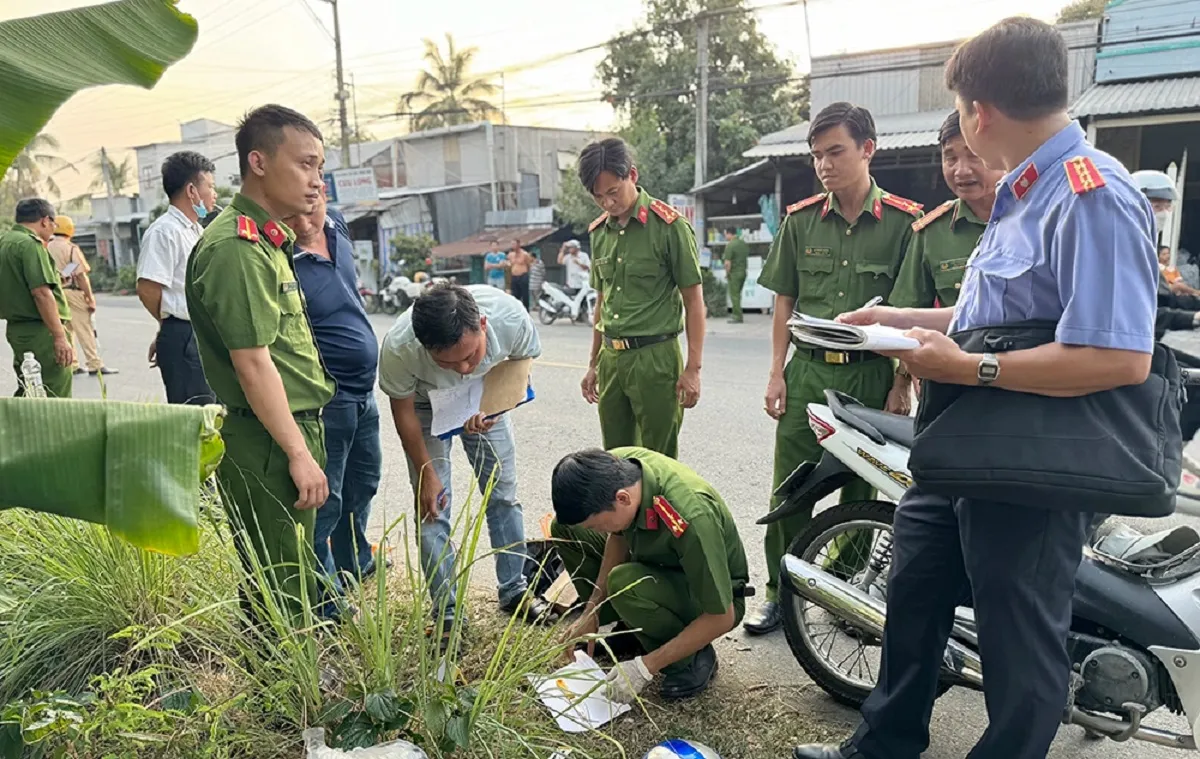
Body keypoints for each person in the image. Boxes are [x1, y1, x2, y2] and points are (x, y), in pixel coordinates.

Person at [793, 18, 1160, 759]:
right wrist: (898, 319)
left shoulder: (1090, 194)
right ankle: (883, 743)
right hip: (962, 441)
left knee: (1019, 642)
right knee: (914, 589)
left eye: (960, 110)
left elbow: (1120, 357)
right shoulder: (1024, 190)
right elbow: (992, 317)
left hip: (1032, 457)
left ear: (979, 111)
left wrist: (972, 368)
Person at [745, 103, 922, 636]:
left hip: (871, 375)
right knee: (791, 488)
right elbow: (784, 303)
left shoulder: (905, 224)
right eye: (816, 155)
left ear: (868, 149)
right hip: (808, 375)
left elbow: (911, 309)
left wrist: (902, 381)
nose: (824, 164)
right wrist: (777, 372)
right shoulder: (800, 223)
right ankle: (780, 590)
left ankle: (845, 592)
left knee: (862, 488)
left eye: (836, 151)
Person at [185, 105, 335, 621]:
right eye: (306, 165)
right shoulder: (237, 248)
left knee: (290, 574)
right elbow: (252, 364)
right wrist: (296, 452)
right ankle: (289, 697)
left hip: (285, 430)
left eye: (320, 167)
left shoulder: (267, 239)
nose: (317, 181)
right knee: (281, 586)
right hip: (270, 441)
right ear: (259, 162)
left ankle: (295, 685)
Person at [379, 282, 553, 642]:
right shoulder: (400, 348)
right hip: (426, 408)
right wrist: (427, 471)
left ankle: (515, 589)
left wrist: (492, 405)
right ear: (425, 348)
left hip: (486, 401)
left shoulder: (511, 318)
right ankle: (447, 612)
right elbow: (404, 414)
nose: (461, 368)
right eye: (448, 362)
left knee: (503, 493)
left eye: (471, 356)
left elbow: (522, 366)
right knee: (432, 509)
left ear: (484, 325)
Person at [551, 447, 750, 702]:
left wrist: (644, 668)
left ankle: (691, 658)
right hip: (659, 566)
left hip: (714, 598)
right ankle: (633, 630)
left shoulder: (689, 515)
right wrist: (592, 610)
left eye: (597, 524)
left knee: (625, 582)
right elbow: (619, 534)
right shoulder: (618, 469)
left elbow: (722, 616)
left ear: (622, 498)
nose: (598, 531)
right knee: (565, 529)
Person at [284, 188, 383, 609]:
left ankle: (354, 562)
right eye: (294, 214)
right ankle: (325, 599)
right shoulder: (281, 258)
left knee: (365, 482)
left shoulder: (338, 226)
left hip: (365, 392)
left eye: (312, 209)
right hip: (329, 396)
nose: (304, 221)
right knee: (328, 498)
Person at [577, 137, 706, 459]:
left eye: (613, 192)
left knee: (658, 460)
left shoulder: (670, 227)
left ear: (631, 175)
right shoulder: (599, 233)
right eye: (598, 197)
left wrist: (693, 369)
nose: (608, 203)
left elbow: (694, 301)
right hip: (611, 359)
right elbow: (601, 302)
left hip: (655, 358)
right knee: (616, 460)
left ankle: (656, 512)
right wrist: (593, 364)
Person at [890, 110, 1004, 310]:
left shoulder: (1035, 218)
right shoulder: (932, 232)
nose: (961, 170)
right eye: (950, 158)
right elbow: (907, 312)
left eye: (974, 156)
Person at [136, 151, 218, 405]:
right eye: (211, 187)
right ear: (192, 191)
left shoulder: (195, 230)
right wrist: (168, 324)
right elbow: (148, 288)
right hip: (185, 334)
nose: (214, 194)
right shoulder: (165, 232)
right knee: (195, 414)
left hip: (198, 332)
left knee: (211, 411)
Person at [0, 198, 74, 397]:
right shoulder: (30, 245)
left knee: (29, 391)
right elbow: (41, 293)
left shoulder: (5, 241)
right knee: (54, 391)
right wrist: (59, 336)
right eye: (53, 224)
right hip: (42, 330)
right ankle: (55, 429)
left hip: (18, 328)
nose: (52, 229)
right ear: (45, 221)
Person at [47, 216, 116, 377]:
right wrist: (90, 297)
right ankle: (94, 364)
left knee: (67, 329)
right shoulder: (71, 249)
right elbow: (81, 276)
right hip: (73, 292)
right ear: (69, 230)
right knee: (84, 328)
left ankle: (73, 364)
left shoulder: (46, 247)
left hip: (56, 293)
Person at [722, 229, 750, 323]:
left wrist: (727, 273)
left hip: (734, 273)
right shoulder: (743, 243)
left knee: (734, 296)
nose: (725, 236)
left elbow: (727, 263)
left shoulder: (730, 245)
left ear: (730, 234)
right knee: (738, 295)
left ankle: (737, 317)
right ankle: (737, 314)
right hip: (743, 272)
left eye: (725, 234)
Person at [508, 242, 533, 310]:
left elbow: (529, 265)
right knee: (515, 295)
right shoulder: (510, 255)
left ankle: (526, 310)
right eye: (512, 244)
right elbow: (509, 265)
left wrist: (525, 272)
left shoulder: (524, 254)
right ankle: (516, 310)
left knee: (525, 295)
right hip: (514, 276)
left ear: (518, 245)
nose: (513, 246)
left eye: (514, 244)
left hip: (523, 276)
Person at [528, 247, 546, 313]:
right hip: (531, 282)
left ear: (533, 257)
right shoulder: (530, 264)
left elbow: (543, 272)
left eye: (529, 257)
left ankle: (540, 306)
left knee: (537, 295)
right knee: (533, 295)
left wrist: (542, 280)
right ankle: (535, 306)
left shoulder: (539, 262)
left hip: (537, 281)